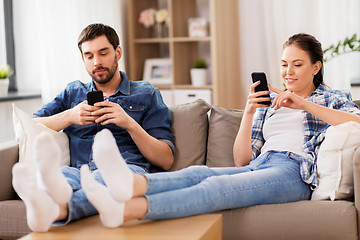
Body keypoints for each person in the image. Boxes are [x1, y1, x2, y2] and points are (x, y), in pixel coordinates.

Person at [75, 33, 360, 228]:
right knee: (200, 174)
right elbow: (241, 161)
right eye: (284, 64)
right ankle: (129, 185)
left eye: (297, 65)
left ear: (316, 67)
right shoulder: (270, 104)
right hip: (262, 164)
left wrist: (303, 104)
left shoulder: (331, 99)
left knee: (216, 188)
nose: (288, 72)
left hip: (294, 172)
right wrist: (250, 112)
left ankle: (126, 210)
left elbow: (355, 122)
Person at [11, 23, 174, 232]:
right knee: (61, 177)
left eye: (103, 53)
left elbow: (166, 159)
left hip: (124, 170)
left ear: (118, 52)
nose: (96, 62)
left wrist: (129, 124)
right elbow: (30, 123)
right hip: (77, 170)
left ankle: (52, 209)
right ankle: (47, 199)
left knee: (100, 180)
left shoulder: (146, 93)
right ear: (83, 59)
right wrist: (69, 116)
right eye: (89, 56)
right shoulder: (73, 92)